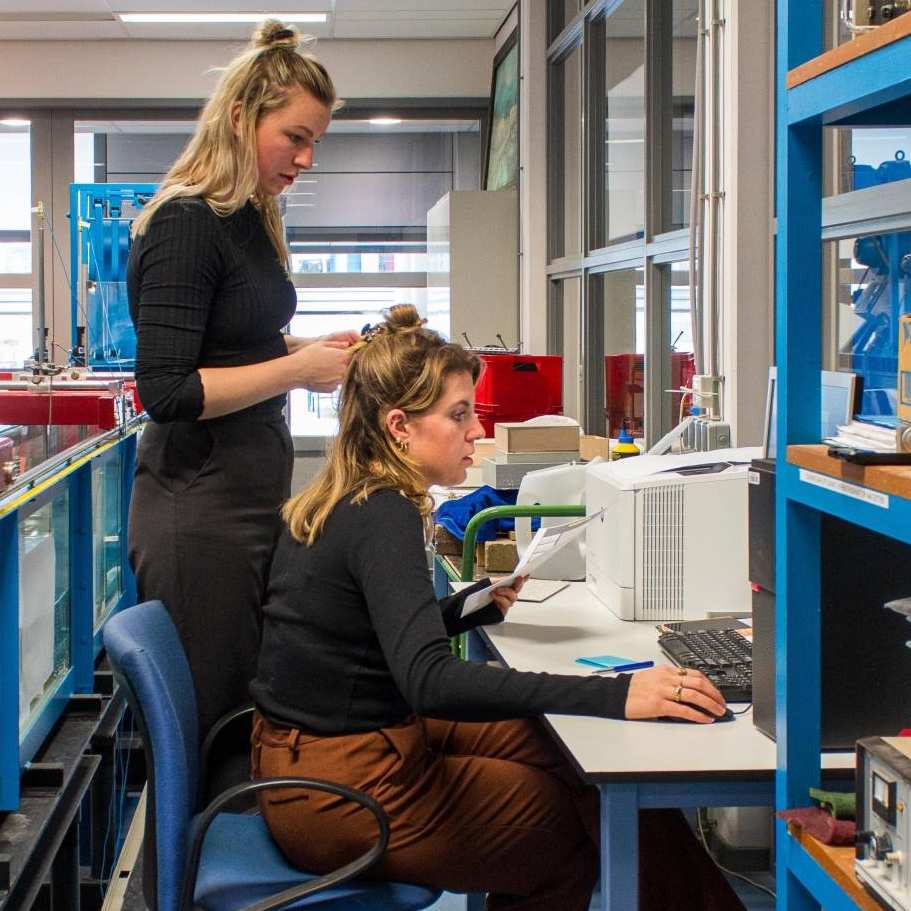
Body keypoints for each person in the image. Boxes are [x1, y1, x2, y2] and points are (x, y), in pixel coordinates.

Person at [249, 305, 746, 911]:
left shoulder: (344, 497)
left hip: (319, 752)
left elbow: (355, 645)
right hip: (341, 788)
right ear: (399, 425)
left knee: (552, 745)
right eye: (459, 416)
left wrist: (468, 610)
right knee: (560, 831)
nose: (477, 431)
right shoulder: (383, 513)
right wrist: (620, 694)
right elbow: (428, 679)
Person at [127, 19, 356, 744]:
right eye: (294, 136)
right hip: (199, 513)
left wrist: (301, 348)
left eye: (314, 140)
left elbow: (230, 342)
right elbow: (166, 389)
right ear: (238, 118)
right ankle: (197, 859)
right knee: (213, 728)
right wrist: (297, 369)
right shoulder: (186, 223)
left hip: (246, 501)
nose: (307, 157)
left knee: (242, 712)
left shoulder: (244, 220)